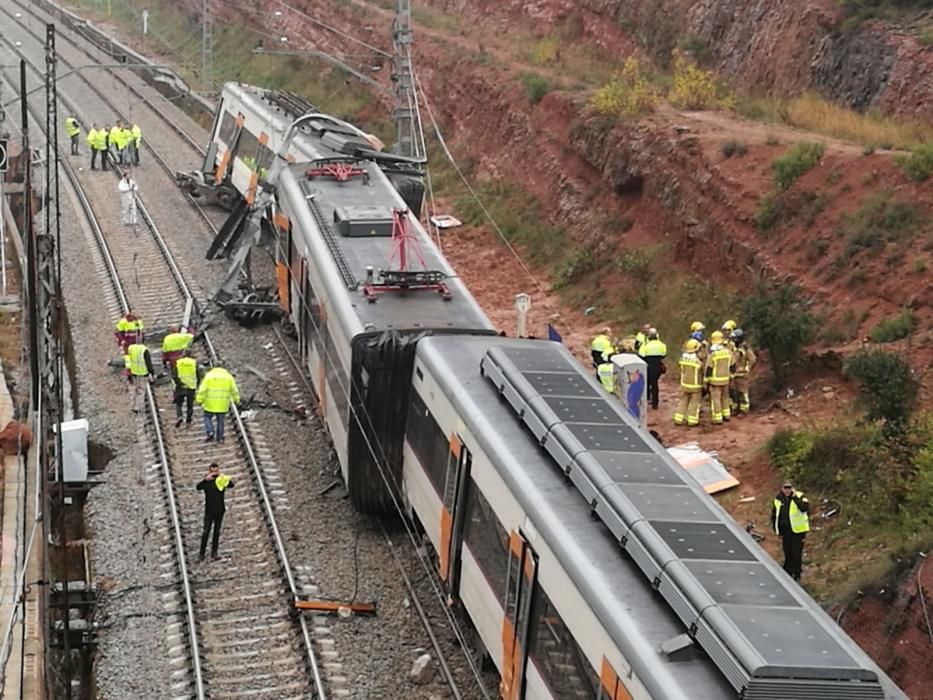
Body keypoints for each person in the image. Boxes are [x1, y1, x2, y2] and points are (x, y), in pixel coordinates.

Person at [770, 482, 810, 581]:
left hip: (798, 531)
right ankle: (788, 571)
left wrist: (795, 497)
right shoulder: (778, 499)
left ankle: (797, 573)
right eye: (785, 488)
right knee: (787, 551)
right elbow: (775, 515)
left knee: (796, 553)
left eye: (789, 488)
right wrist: (777, 530)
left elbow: (804, 508)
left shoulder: (800, 496)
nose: (787, 490)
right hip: (786, 531)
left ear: (792, 488)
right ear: (782, 489)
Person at [196, 462, 235, 561]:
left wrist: (223, 477)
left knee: (216, 532)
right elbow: (198, 487)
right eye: (212, 472)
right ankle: (201, 554)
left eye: (216, 471)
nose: (214, 474)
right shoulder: (207, 482)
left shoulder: (220, 480)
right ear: (209, 471)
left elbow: (231, 485)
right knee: (206, 532)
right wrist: (205, 479)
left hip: (220, 510)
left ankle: (214, 552)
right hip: (209, 511)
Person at [195, 364, 240, 443]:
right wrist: (237, 400)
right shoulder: (228, 377)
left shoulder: (209, 376)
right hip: (222, 403)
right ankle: (220, 438)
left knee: (207, 417)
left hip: (210, 403)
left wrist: (199, 399)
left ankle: (210, 431)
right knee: (220, 421)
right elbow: (234, 390)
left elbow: (203, 389)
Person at [705, 330, 733, 425]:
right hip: (726, 379)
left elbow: (709, 368)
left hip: (715, 381)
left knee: (716, 399)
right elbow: (733, 365)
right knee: (725, 397)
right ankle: (727, 415)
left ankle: (718, 418)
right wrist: (731, 376)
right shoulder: (728, 352)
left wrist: (707, 380)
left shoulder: (713, 354)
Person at [673, 339, 703, 427]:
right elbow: (702, 369)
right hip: (695, 386)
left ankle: (678, 419)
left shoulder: (682, 358)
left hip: (684, 384)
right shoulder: (697, 361)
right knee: (694, 403)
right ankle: (692, 421)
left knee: (683, 401)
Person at [638, 327, 667, 410]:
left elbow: (641, 355)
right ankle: (655, 404)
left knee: (646, 383)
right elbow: (664, 354)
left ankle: (646, 399)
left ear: (649, 336)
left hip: (648, 366)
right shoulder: (662, 344)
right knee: (655, 384)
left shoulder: (645, 345)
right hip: (658, 366)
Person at [124, 338, 154, 414]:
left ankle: (134, 405)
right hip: (143, 373)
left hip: (134, 372)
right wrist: (152, 372)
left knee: (135, 389)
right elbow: (148, 363)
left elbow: (128, 360)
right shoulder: (144, 350)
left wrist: (128, 372)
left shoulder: (131, 348)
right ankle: (138, 407)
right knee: (141, 391)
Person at [730, 329, 756, 414]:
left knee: (742, 392)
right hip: (733, 374)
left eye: (735, 338)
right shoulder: (733, 347)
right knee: (734, 392)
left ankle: (744, 410)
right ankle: (735, 409)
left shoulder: (745, 348)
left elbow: (752, 359)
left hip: (742, 374)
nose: (733, 340)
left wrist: (747, 368)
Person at [172, 348, 199, 428]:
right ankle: (188, 422)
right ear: (191, 354)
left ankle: (179, 416)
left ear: (183, 354)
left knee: (179, 403)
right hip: (191, 386)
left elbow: (174, 375)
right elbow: (198, 374)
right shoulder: (194, 363)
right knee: (190, 405)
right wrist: (197, 384)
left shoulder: (178, 363)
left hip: (181, 387)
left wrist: (179, 383)